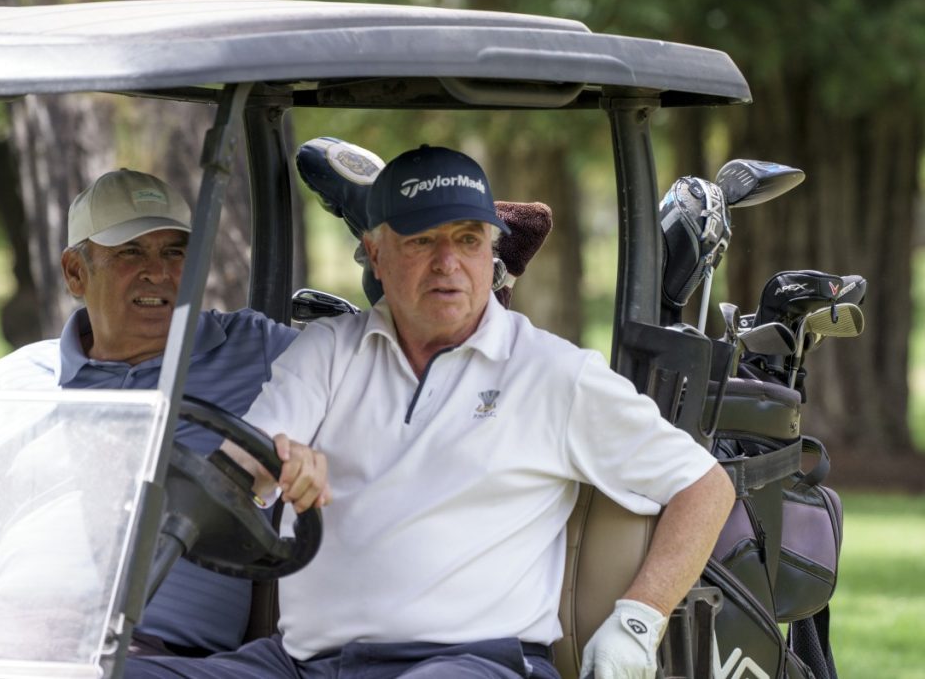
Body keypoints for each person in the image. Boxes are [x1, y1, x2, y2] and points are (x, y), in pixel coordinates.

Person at [126, 146, 735, 679]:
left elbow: (704, 486)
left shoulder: (553, 372)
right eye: (421, 240)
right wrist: (277, 464)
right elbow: (238, 472)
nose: (448, 262)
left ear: (491, 252)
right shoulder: (328, 350)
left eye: (468, 240)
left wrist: (638, 618)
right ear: (375, 254)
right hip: (303, 663)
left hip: (474, 662)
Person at [0, 169, 327, 658]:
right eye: (130, 252)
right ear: (75, 273)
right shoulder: (16, 378)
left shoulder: (257, 350)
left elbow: (362, 363)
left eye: (175, 252)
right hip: (11, 641)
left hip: (155, 652)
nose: (157, 272)